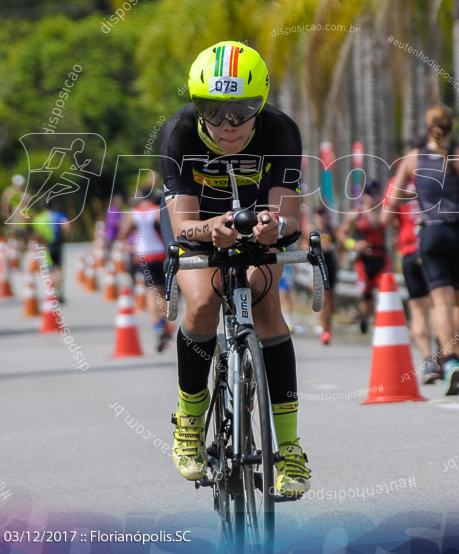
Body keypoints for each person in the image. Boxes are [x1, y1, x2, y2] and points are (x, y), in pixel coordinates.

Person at [160, 41, 310, 496]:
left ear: (259, 105)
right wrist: (213, 230)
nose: (228, 125)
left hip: (254, 228)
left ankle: (289, 450)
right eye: (214, 110)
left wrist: (272, 227)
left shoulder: (281, 130)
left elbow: (291, 220)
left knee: (266, 309)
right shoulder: (179, 133)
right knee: (203, 301)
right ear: (197, 105)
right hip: (201, 227)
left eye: (241, 111)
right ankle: (190, 418)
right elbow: (183, 227)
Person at [385, 105, 459, 396]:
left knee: (440, 303)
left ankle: (451, 361)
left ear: (427, 126)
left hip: (432, 232)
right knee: (458, 302)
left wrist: (416, 192)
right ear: (452, 126)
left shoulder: (413, 159)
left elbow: (389, 205)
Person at [380, 177, 438, 383]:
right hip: (433, 245)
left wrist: (399, 222)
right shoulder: (435, 175)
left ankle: (428, 361)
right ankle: (445, 355)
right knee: (439, 304)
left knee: (418, 308)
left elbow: (385, 218)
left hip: (409, 250)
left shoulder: (397, 182)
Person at [117, 187, 172, 353]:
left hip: (144, 256)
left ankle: (159, 326)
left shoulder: (134, 213)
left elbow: (123, 234)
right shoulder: (158, 211)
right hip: (162, 255)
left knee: (151, 292)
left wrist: (131, 246)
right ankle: (164, 322)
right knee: (162, 292)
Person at [336, 179, 391, 334]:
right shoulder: (356, 214)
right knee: (366, 293)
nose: (373, 198)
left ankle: (382, 322)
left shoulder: (384, 213)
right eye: (370, 195)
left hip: (381, 257)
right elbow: (341, 233)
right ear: (364, 196)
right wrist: (353, 245)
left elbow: (397, 225)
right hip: (364, 260)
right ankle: (364, 317)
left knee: (385, 291)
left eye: (376, 195)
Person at [311, 203, 341, 345]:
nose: (321, 217)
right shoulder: (312, 231)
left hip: (331, 266)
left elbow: (341, 246)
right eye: (319, 214)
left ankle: (328, 324)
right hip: (318, 267)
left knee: (332, 299)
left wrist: (331, 248)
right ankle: (324, 329)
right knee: (324, 299)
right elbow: (305, 247)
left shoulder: (332, 231)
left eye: (323, 214)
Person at [32, 199, 71, 301]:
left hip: (46, 246)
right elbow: (67, 227)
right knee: (59, 269)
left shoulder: (38, 219)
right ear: (53, 206)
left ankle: (52, 294)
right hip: (58, 245)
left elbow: (37, 236)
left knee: (50, 271)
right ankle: (60, 293)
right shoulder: (58, 215)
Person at [0, 174, 31, 247]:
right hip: (13, 218)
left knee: (21, 236)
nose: (20, 186)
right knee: (12, 235)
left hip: (21, 220)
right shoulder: (9, 192)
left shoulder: (22, 193)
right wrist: (7, 216)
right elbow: (5, 204)